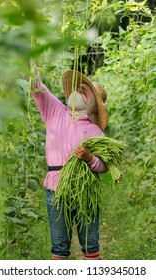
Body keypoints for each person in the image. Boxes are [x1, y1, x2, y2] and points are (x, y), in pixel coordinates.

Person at [31, 68, 108, 260]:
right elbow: (37, 88)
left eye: (85, 91)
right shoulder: (55, 111)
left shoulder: (96, 132)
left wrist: (90, 158)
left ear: (92, 105)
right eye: (79, 88)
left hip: (86, 191)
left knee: (91, 246)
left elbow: (104, 166)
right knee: (59, 246)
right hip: (55, 191)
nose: (78, 90)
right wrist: (30, 66)